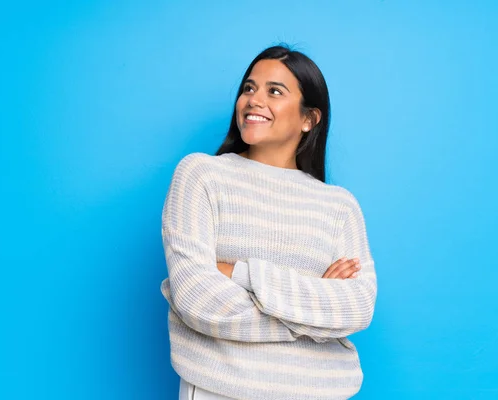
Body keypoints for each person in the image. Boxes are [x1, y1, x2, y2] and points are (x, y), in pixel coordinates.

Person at [160, 44, 377, 400]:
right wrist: (315, 316)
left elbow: (357, 306)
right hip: (220, 388)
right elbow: (196, 300)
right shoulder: (201, 175)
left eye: (274, 91)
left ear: (309, 119)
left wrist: (242, 275)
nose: (254, 100)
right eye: (249, 88)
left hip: (323, 391)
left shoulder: (339, 205)